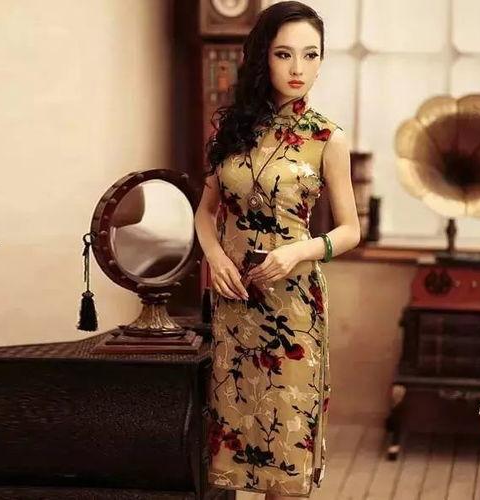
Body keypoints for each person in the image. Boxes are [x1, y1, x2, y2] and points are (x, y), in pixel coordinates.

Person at [194, 1, 360, 498]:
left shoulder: (327, 138)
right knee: (233, 445)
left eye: (311, 55)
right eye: (285, 54)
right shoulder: (232, 129)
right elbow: (205, 213)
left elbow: (350, 231)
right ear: (263, 57)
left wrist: (299, 251)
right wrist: (215, 257)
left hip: (293, 309)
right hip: (234, 305)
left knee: (285, 451)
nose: (298, 68)